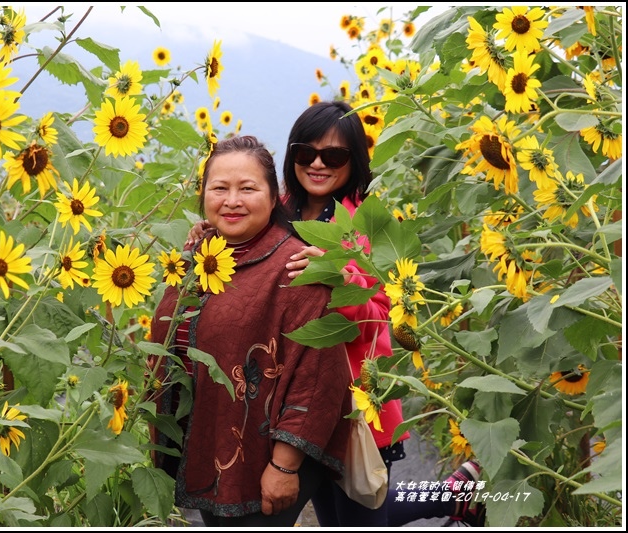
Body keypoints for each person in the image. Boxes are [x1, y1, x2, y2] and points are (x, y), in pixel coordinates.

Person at [186, 102, 485, 527]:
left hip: (353, 399)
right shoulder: (279, 209)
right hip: (291, 401)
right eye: (307, 153)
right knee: (341, 512)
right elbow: (246, 243)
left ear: (355, 160)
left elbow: (386, 315)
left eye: (335, 155)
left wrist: (339, 280)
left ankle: (454, 494)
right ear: (292, 158)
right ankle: (457, 495)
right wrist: (210, 234)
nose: (319, 164)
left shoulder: (369, 222)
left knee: (359, 511)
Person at [149, 135, 353, 527]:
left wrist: (286, 466)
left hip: (264, 460)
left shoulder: (296, 267)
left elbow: (318, 378)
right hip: (208, 448)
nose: (232, 200)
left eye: (247, 188)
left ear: (274, 196)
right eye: (219, 188)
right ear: (203, 194)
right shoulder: (200, 256)